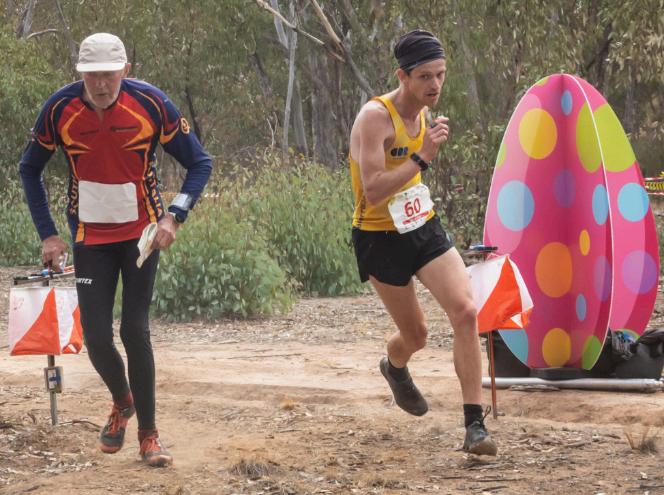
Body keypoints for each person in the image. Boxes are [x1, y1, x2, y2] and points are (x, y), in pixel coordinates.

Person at [19, 33, 213, 467]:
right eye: (92, 76)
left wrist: (174, 216)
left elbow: (200, 162)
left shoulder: (151, 104)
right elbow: (29, 169)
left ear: (125, 70)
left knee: (134, 330)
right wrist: (48, 234)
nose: (101, 84)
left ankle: (149, 435)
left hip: (142, 236)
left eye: (109, 75)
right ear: (80, 74)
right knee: (95, 337)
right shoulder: (59, 109)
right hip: (91, 237)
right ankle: (123, 402)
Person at [348, 29, 497, 455]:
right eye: (425, 76)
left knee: (466, 311)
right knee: (415, 335)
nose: (435, 85)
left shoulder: (425, 114)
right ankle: (394, 366)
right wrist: (422, 157)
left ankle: (475, 426)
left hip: (422, 225)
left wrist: (420, 157)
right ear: (403, 76)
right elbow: (373, 189)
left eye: (441, 75)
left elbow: (410, 176)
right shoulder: (375, 118)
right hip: (378, 236)